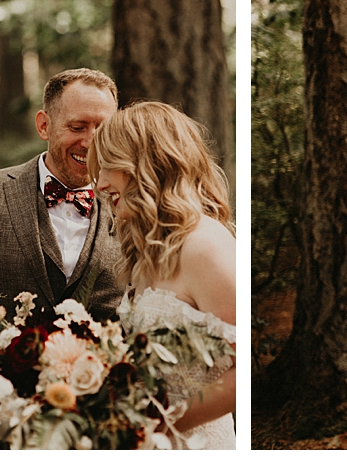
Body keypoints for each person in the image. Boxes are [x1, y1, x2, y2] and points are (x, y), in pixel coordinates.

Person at [0, 68, 128, 449]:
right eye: (77, 126)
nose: (91, 142)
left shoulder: (131, 206)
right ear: (44, 125)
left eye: (103, 128)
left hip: (100, 427)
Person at [88, 101, 237, 449]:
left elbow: (242, 370)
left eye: (108, 167)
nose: (98, 184)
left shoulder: (204, 245)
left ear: (147, 163)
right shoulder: (147, 253)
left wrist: (159, 423)